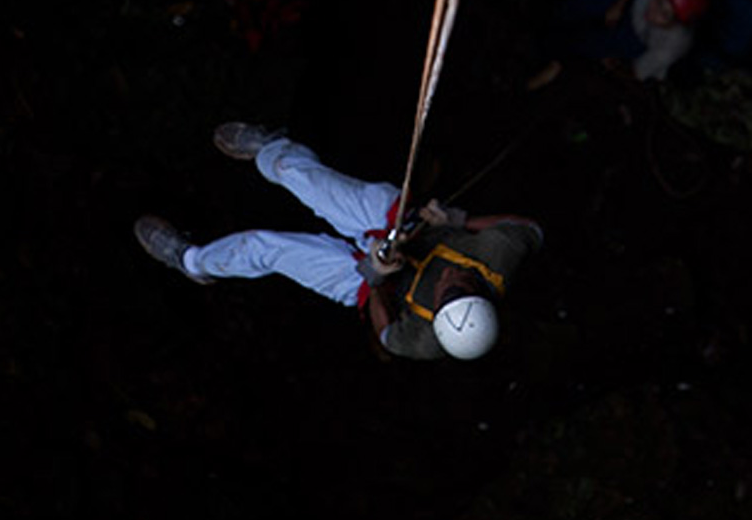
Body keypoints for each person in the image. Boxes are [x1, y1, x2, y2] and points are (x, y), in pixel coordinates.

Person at [133, 123, 543, 361]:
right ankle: (271, 151)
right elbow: (526, 226)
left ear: (437, 313)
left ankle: (191, 261)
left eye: (444, 293)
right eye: (461, 284)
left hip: (364, 282)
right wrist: (457, 219)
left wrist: (377, 276)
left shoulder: (425, 340)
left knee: (267, 247)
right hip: (409, 227)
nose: (449, 278)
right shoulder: (498, 258)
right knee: (309, 180)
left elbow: (385, 334)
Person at [541, 0, 711, 83]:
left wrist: (614, 66)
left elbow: (637, 72)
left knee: (590, 45)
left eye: (665, 15)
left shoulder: (674, 45)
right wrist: (618, 6)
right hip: (631, 0)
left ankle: (553, 53)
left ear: (676, 24)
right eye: (659, 1)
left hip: (637, 36)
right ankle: (548, 14)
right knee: (581, 1)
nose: (654, 12)